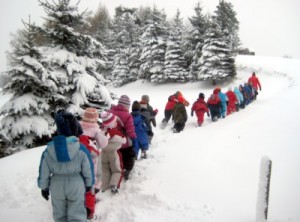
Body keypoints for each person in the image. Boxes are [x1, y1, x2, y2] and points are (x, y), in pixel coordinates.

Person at [37, 110, 94, 222]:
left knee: (60, 215)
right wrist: (89, 184)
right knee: (77, 214)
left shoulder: (49, 150)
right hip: (76, 185)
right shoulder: (81, 149)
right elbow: (88, 168)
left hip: (56, 186)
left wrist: (44, 187)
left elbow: (44, 170)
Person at [79, 107, 108, 193]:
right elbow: (104, 143)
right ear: (95, 119)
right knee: (94, 172)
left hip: (79, 154)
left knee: (81, 171)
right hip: (92, 155)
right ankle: (93, 191)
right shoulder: (96, 130)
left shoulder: (78, 128)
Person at [110, 95, 138, 180]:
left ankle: (114, 169)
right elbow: (130, 130)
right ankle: (126, 169)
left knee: (115, 155)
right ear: (127, 106)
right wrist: (134, 139)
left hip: (111, 139)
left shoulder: (110, 112)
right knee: (128, 155)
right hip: (123, 141)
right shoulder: (127, 115)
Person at [100, 112, 126, 194]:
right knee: (117, 170)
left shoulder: (101, 131)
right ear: (112, 123)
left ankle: (104, 186)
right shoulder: (115, 132)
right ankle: (114, 185)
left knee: (105, 169)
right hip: (114, 153)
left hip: (103, 153)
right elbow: (124, 140)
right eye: (115, 122)